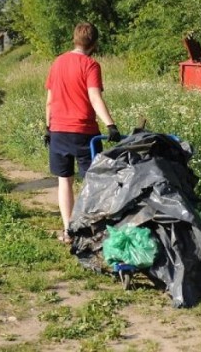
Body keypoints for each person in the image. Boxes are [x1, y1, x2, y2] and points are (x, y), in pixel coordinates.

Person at [44, 22, 121, 244]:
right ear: (94, 43)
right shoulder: (90, 65)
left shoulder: (57, 62)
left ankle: (69, 230)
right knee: (92, 181)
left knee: (64, 181)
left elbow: (49, 101)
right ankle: (90, 228)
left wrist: (47, 127)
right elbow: (95, 97)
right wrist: (110, 125)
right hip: (84, 133)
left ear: (74, 39)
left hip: (58, 130)